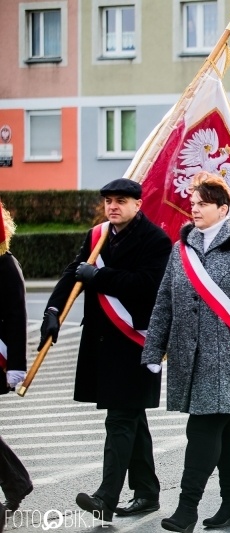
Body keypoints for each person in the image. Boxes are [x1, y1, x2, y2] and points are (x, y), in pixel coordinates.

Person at [142, 174, 230, 532]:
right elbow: (164, 302)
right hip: (190, 359)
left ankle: (187, 509)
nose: (193, 209)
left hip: (229, 360)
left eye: (201, 203)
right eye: (193, 203)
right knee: (227, 429)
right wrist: (154, 347)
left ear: (223, 209)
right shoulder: (180, 248)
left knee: (201, 430)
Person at [38, 179, 170, 522]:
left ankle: (105, 498)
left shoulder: (155, 240)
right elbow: (74, 274)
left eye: (120, 201)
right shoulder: (98, 235)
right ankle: (147, 492)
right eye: (109, 201)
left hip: (135, 343)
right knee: (132, 418)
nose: (113, 206)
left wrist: (99, 276)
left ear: (138, 204)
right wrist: (52, 312)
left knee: (121, 420)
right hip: (102, 342)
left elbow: (146, 286)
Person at [0, 201, 33, 524]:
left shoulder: (6, 265)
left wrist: (16, 366)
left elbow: (16, 318)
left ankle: (16, 482)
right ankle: (16, 481)